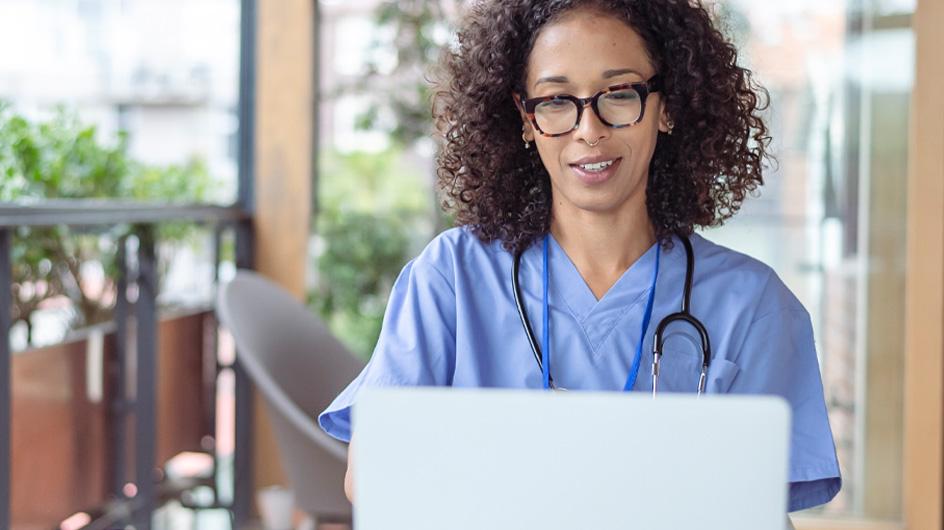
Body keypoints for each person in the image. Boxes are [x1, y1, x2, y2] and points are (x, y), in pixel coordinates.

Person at [317, 0, 841, 515]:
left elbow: (756, 512)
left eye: (619, 94)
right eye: (556, 100)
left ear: (668, 107)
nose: (589, 130)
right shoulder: (450, 280)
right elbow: (374, 477)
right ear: (525, 119)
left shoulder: (752, 306)